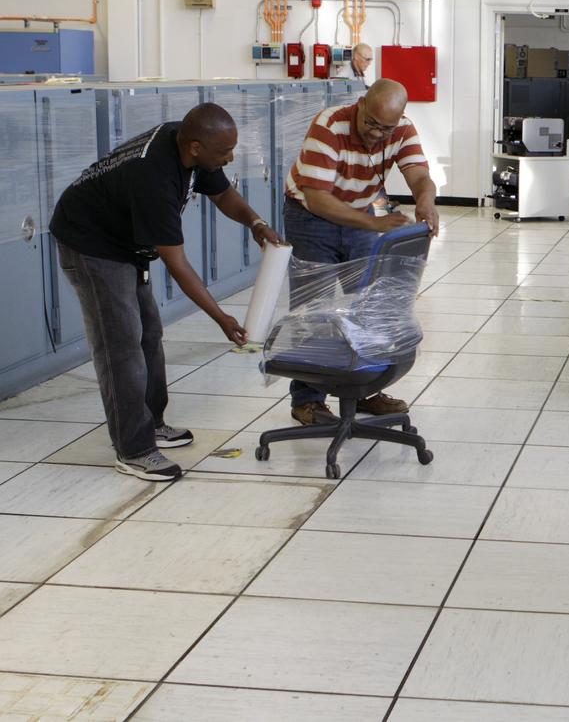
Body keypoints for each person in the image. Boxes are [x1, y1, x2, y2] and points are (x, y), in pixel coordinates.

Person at [49, 104, 282, 481]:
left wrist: (255, 222)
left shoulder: (191, 146)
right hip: (91, 243)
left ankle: (152, 422)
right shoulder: (154, 179)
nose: (230, 157)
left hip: (124, 241)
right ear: (195, 147)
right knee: (120, 343)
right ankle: (134, 449)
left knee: (149, 332)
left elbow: (223, 195)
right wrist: (221, 318)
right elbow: (178, 265)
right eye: (223, 152)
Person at [282, 78, 439, 424]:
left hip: (361, 213)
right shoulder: (330, 125)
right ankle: (308, 400)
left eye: (386, 128)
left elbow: (419, 174)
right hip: (311, 216)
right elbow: (319, 199)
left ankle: (365, 389)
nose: (376, 134)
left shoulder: (400, 129)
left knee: (370, 306)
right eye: (370, 123)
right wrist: (375, 225)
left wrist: (426, 202)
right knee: (313, 308)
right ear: (361, 104)